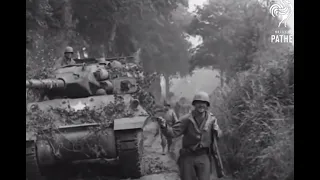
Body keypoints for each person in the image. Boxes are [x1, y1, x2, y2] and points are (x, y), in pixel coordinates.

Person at [157, 91, 222, 180]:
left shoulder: (212, 120)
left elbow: (218, 136)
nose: (201, 105)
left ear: (207, 105)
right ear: (194, 104)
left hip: (203, 156)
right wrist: (164, 126)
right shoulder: (186, 119)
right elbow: (173, 133)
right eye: (198, 103)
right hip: (188, 156)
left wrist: (217, 130)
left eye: (204, 103)